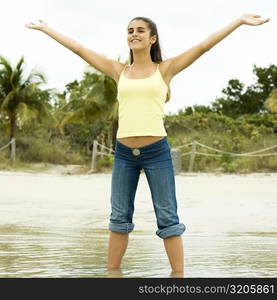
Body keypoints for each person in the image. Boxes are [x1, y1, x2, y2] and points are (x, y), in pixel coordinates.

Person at [25, 13, 270, 277]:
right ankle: (112, 276)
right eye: (130, 30)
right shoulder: (118, 71)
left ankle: (178, 278)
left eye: (140, 30)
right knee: (118, 219)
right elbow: (79, 49)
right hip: (123, 154)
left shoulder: (165, 69)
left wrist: (239, 21)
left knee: (168, 219)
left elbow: (204, 46)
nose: (134, 34)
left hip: (157, 153)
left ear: (152, 38)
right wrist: (46, 28)